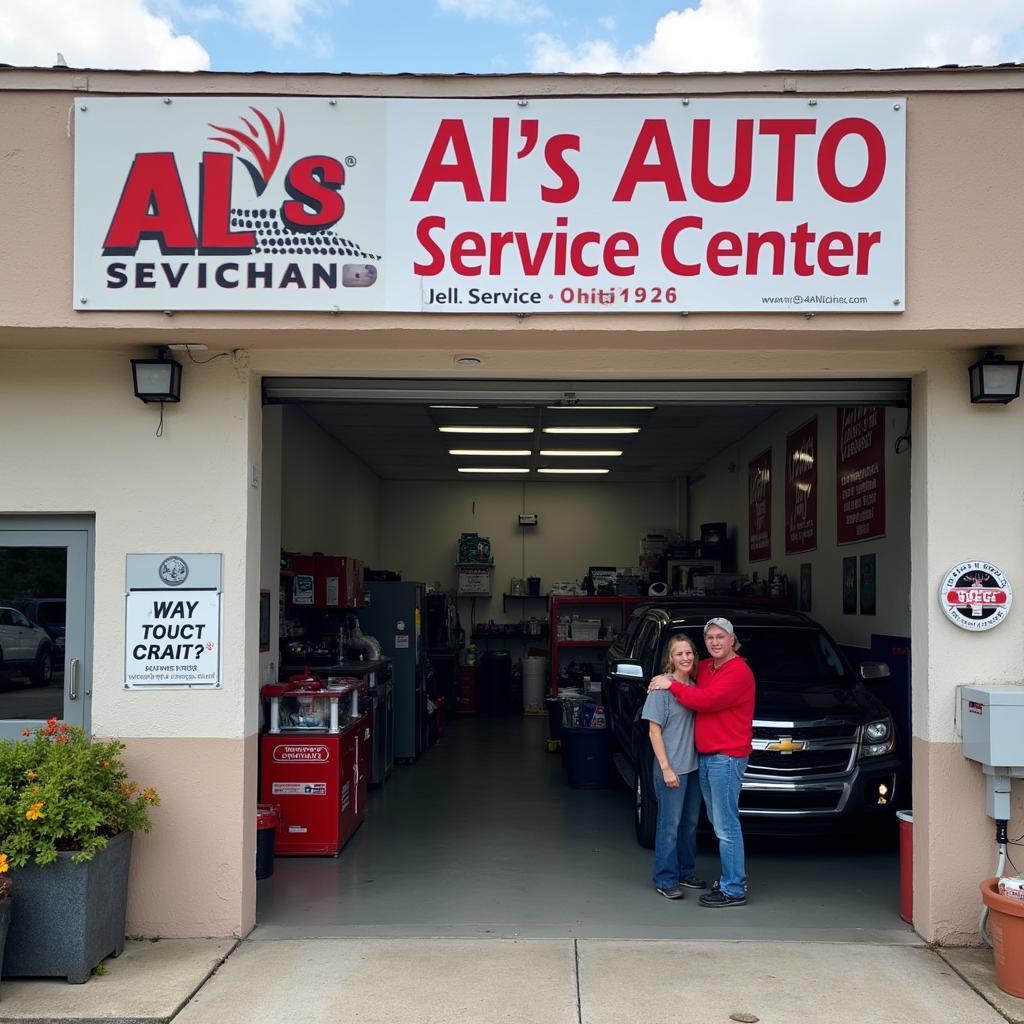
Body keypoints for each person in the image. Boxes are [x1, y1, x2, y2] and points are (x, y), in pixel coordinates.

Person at [649, 617, 755, 907]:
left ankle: (734, 888)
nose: (715, 642)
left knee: (725, 826)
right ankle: (672, 876)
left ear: (733, 639)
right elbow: (682, 677)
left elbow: (705, 701)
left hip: (726, 757)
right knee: (694, 822)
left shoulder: (739, 672)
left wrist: (669, 685)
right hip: (702, 759)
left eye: (721, 636)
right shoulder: (707, 667)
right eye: (709, 637)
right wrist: (667, 680)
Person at [642, 634, 706, 900]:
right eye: (679, 654)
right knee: (670, 824)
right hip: (672, 768)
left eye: (689, 653)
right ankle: (665, 878)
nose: (685, 658)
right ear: (671, 658)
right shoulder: (661, 689)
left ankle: (685, 871)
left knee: (689, 823)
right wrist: (666, 767)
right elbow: (653, 731)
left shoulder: (696, 685)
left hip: (693, 767)